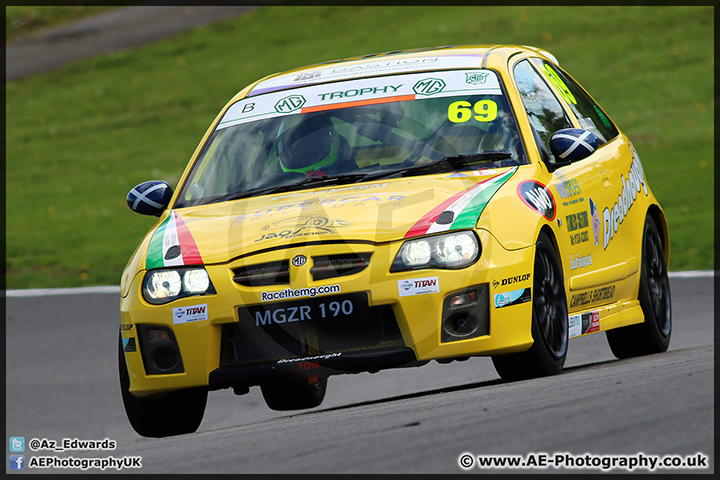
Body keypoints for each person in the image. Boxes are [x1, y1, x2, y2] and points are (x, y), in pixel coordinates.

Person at [276, 113, 345, 175]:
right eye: (298, 147)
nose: (303, 151)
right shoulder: (271, 183)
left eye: (311, 144)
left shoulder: (353, 172)